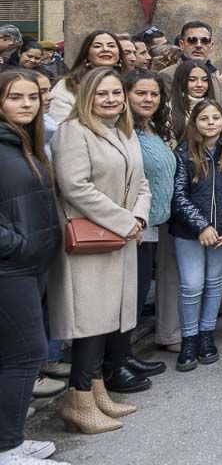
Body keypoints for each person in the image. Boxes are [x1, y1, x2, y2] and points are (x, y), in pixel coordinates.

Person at [49, 68, 152, 433]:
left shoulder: (124, 132)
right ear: (86, 97)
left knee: (107, 320)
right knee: (89, 324)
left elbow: (141, 183)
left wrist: (138, 218)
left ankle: (95, 390)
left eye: (115, 93)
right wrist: (124, 221)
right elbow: (75, 187)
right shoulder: (72, 132)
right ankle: (77, 400)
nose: (111, 99)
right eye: (101, 94)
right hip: (90, 242)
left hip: (120, 238)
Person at [0, 70, 65, 463]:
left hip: (32, 263)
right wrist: (18, 245)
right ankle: (7, 448)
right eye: (14, 97)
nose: (26, 104)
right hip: (11, 268)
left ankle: (11, 439)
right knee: (27, 354)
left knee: (14, 355)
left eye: (31, 97)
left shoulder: (26, 141)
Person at [171, 100, 222, 371]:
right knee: (192, 285)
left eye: (216, 118)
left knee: (214, 281)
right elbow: (178, 196)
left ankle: (206, 334)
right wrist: (201, 225)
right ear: (195, 123)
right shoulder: (183, 153)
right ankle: (189, 338)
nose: (211, 123)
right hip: (190, 232)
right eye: (204, 118)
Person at [124, 70, 181, 359]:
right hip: (135, 223)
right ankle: (119, 361)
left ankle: (125, 357)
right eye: (141, 93)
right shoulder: (123, 131)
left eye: (154, 94)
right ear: (126, 94)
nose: (148, 99)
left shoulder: (152, 129)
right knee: (129, 295)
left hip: (160, 221)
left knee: (142, 287)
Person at [47, 30, 122, 123]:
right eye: (97, 46)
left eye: (111, 45)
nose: (105, 49)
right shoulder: (68, 85)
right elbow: (61, 126)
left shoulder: (128, 82)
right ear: (86, 54)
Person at [160, 21, 222, 104]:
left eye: (205, 41)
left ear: (211, 46)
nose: (198, 45)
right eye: (192, 40)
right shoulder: (167, 75)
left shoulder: (214, 76)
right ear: (181, 44)